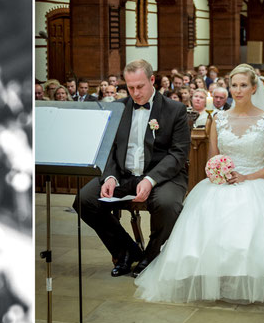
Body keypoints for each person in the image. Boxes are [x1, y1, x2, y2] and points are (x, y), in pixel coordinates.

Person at [134, 63, 264, 308]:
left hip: (257, 182)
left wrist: (247, 177)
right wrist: (218, 173)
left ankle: (256, 280)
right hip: (221, 184)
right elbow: (212, 160)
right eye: (233, 85)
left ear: (254, 87)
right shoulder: (219, 119)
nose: (238, 90)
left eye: (243, 85)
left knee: (258, 230)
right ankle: (219, 278)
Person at [73, 60, 190, 277]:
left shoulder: (175, 110)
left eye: (140, 86)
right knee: (85, 200)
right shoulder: (119, 108)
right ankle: (126, 250)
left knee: (167, 204)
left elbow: (178, 154)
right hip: (123, 174)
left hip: (162, 175)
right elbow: (109, 148)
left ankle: (152, 256)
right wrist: (109, 176)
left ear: (152, 80)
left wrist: (150, 179)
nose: (135, 93)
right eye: (130, 87)